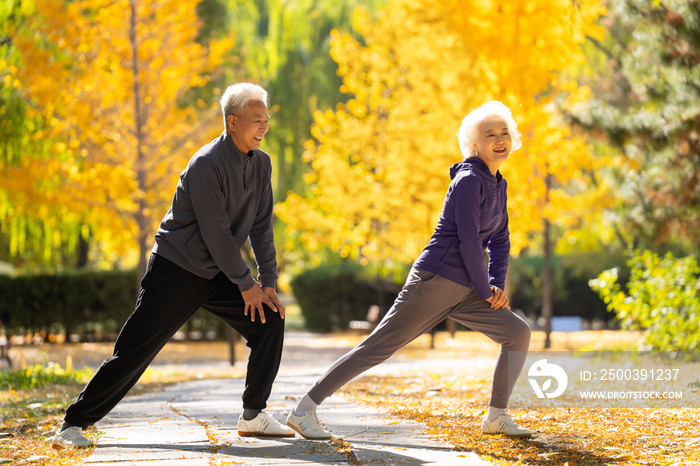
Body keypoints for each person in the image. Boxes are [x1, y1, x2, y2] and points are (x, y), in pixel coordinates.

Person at [52, 83, 295, 449]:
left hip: (218, 272)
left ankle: (253, 415)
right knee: (135, 351)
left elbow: (261, 226)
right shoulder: (206, 164)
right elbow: (217, 234)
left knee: (270, 318)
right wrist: (247, 284)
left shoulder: (262, 164)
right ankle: (73, 423)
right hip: (177, 268)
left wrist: (268, 281)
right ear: (232, 122)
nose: (263, 127)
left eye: (266, 120)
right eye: (255, 120)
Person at [286, 101, 533, 440]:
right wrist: (485, 288)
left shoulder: (497, 183)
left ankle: (496, 416)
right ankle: (303, 410)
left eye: (505, 132)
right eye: (490, 134)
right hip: (436, 280)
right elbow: (469, 243)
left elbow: (501, 239)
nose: (500, 139)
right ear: (475, 145)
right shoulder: (468, 180)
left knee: (517, 333)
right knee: (378, 347)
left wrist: (496, 283)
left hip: (467, 289)